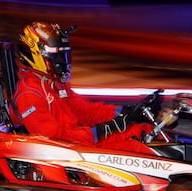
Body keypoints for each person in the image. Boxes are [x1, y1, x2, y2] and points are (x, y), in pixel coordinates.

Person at [9, 22, 158, 154]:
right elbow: (55, 140)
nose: (63, 62)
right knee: (138, 150)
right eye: (58, 56)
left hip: (83, 140)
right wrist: (103, 130)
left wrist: (125, 112)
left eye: (64, 55)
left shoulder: (54, 84)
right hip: (70, 150)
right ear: (36, 55)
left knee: (144, 130)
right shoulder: (29, 95)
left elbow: (84, 111)